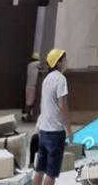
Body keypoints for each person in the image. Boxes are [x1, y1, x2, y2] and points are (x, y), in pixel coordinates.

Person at [33, 48, 72, 185]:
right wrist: (69, 130)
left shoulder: (46, 79)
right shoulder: (61, 79)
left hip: (43, 130)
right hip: (55, 132)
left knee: (40, 169)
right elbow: (62, 106)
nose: (66, 62)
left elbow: (44, 105)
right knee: (51, 172)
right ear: (58, 63)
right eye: (64, 60)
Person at [25, 52, 42, 121]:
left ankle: (28, 115)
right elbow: (43, 63)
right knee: (30, 102)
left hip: (29, 86)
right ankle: (28, 116)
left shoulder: (30, 65)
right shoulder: (35, 64)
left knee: (29, 101)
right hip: (32, 86)